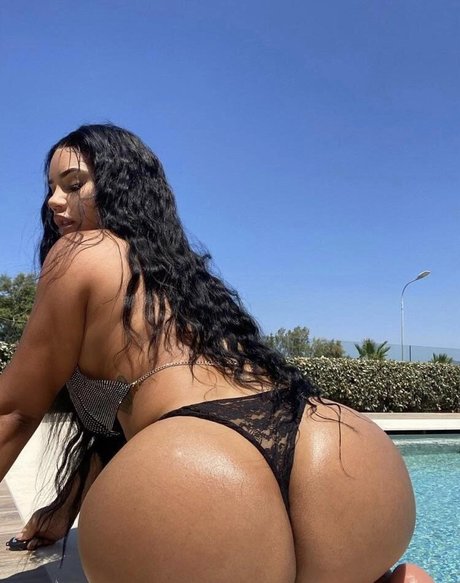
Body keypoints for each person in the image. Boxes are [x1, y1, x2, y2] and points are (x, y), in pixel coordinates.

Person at [0, 124, 434, 583]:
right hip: (336, 444)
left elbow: (14, 410)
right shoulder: (185, 278)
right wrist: (63, 507)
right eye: (51, 188)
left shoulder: (79, 251)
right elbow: (114, 432)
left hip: (198, 470)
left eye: (73, 185)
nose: (54, 201)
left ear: (118, 184)